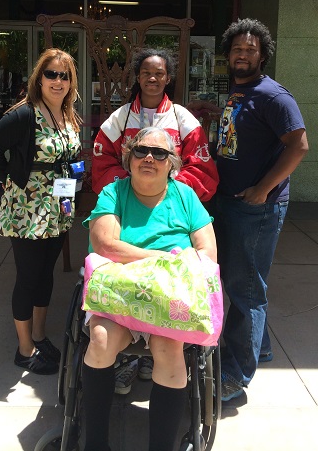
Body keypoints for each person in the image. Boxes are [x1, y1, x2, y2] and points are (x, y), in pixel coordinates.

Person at [82, 127, 217, 451]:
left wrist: (163, 268)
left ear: (172, 163)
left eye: (159, 153)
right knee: (100, 341)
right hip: (120, 295)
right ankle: (95, 445)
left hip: (171, 298)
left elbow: (207, 253)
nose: (149, 158)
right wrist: (165, 258)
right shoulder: (114, 193)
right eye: (141, 151)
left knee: (169, 348)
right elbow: (104, 245)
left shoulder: (185, 196)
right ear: (128, 158)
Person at [92, 47, 219, 390]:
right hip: (128, 214)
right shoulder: (119, 118)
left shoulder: (182, 119)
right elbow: (102, 163)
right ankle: (130, 358)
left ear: (168, 78)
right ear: (137, 76)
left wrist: (168, 188)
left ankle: (150, 355)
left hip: (168, 209)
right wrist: (130, 189)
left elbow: (202, 166)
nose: (152, 79)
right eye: (146, 73)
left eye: (159, 74)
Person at [215, 18, 309, 401]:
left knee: (246, 289)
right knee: (244, 282)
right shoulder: (239, 92)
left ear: (263, 55)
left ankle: (236, 377)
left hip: (255, 208)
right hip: (231, 202)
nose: (242, 54)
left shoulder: (274, 96)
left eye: (250, 50)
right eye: (237, 49)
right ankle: (262, 346)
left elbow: (299, 146)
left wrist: (262, 190)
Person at [0, 48, 82, 375]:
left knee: (45, 274)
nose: (57, 81)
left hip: (58, 207)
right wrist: (11, 181)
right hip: (27, 210)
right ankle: (24, 349)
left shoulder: (68, 115)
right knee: (28, 277)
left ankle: (39, 336)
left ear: (71, 82)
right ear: (38, 78)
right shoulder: (23, 115)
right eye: (50, 74)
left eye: (64, 75)